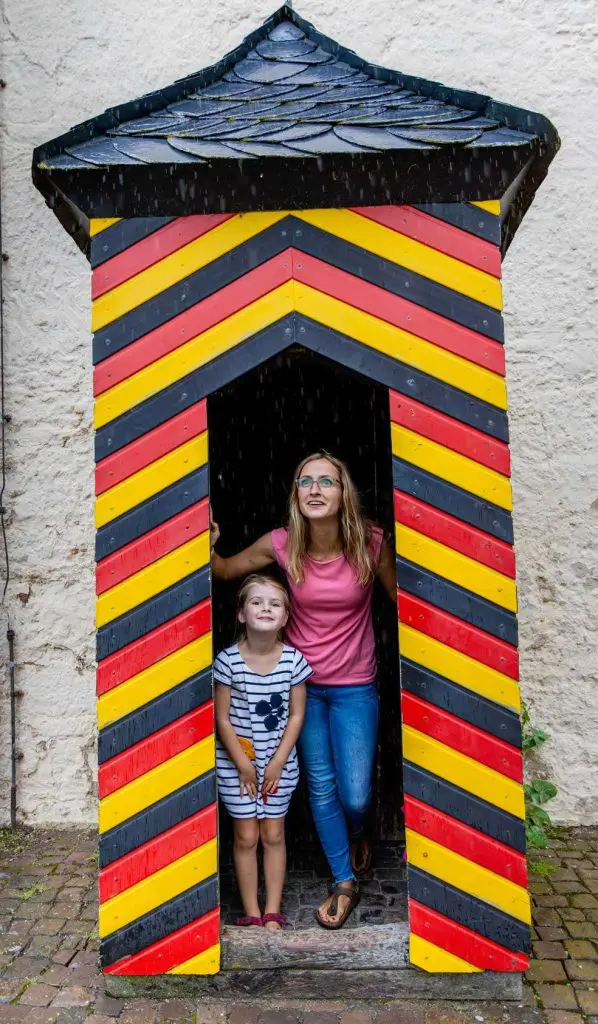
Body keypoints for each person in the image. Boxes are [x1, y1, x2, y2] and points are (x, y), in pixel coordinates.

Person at [211, 452, 397, 929]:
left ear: (343, 494)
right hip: (300, 686)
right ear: (296, 493)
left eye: (326, 482)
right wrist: (203, 539)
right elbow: (227, 571)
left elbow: (407, 601)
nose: (315, 489)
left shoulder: (371, 544)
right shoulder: (282, 544)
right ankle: (343, 881)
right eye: (305, 481)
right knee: (321, 787)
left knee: (354, 794)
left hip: (356, 686)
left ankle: (360, 831)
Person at [214, 574, 310, 931]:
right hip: (236, 765)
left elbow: (297, 714)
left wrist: (278, 762)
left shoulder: (293, 661)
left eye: (275, 604)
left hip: (278, 763)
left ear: (286, 617)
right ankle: (251, 912)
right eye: (257, 602)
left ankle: (272, 911)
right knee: (246, 836)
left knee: (273, 835)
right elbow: (222, 719)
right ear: (241, 614)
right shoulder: (228, 662)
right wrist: (243, 765)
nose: (266, 608)